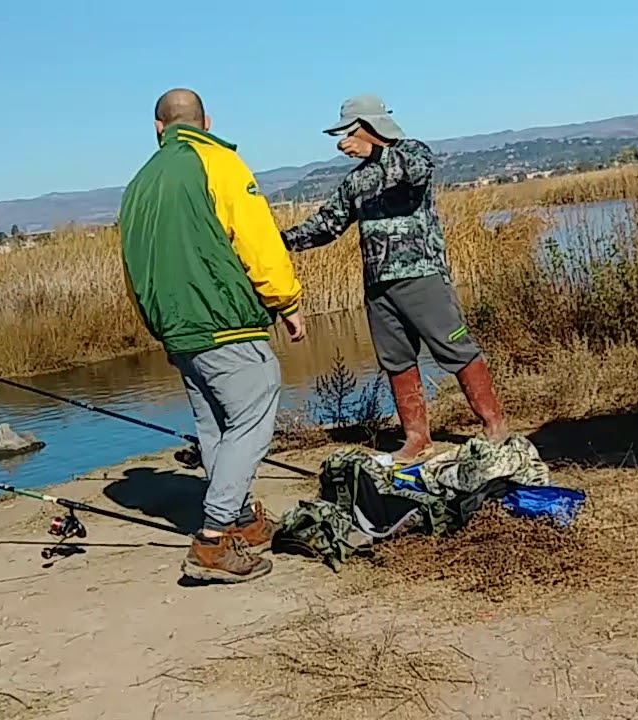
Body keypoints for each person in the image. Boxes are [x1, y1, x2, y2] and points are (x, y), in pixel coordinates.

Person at [118, 88, 306, 584]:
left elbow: (132, 266)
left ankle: (243, 519)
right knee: (250, 417)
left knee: (214, 428)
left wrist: (160, 325)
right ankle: (213, 538)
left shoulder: (138, 185)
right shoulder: (218, 161)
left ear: (159, 127)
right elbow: (256, 237)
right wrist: (285, 301)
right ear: (206, 121)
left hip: (178, 330)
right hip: (226, 320)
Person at [281, 94, 508, 464]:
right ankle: (417, 438)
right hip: (378, 287)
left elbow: (415, 170)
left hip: (422, 278)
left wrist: (375, 149)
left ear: (371, 127)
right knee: (397, 361)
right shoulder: (355, 182)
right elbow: (327, 225)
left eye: (349, 132)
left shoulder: (412, 153)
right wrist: (280, 242)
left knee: (455, 349)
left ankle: (495, 427)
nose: (342, 143)